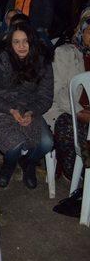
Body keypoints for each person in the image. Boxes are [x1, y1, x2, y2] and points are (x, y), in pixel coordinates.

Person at [0, 23, 54, 189]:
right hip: (0, 108)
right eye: (16, 42)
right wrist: (11, 110)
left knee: (47, 144)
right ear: (10, 43)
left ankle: (28, 163)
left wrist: (31, 112)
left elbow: (45, 97)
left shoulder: (42, 63)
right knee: (14, 144)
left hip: (29, 108)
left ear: (32, 42)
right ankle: (8, 166)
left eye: (25, 41)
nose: (21, 46)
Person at [45, 17, 90, 180]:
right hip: (66, 109)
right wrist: (79, 112)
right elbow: (59, 91)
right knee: (69, 127)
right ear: (81, 32)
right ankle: (75, 176)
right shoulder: (65, 53)